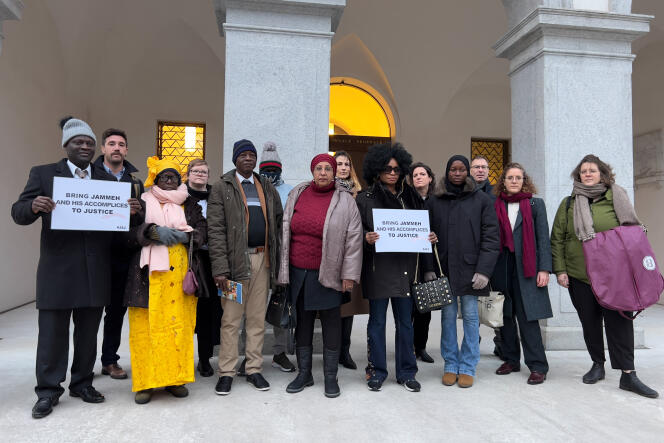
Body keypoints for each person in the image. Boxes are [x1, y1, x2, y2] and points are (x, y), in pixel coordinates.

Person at [11, 117, 137, 419]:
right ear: (66, 146)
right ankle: (48, 391)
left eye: (89, 143)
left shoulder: (107, 181)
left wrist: (133, 213)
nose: (84, 147)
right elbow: (18, 212)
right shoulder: (43, 175)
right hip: (58, 270)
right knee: (52, 334)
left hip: (96, 271)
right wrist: (33, 206)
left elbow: (120, 227)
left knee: (87, 334)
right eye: (78, 142)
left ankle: (82, 383)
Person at [550, 154, 658, 398]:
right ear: (578, 176)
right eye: (583, 171)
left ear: (603, 174)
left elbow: (632, 235)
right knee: (590, 322)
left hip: (615, 275)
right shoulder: (569, 204)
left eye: (593, 171)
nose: (587, 174)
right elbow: (557, 238)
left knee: (620, 321)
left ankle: (628, 374)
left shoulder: (616, 198)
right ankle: (597, 364)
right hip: (580, 274)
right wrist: (561, 269)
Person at [277, 153, 363, 397]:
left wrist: (349, 275)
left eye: (328, 168)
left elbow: (354, 240)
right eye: (318, 168)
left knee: (331, 323)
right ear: (312, 171)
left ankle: (330, 377)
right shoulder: (298, 193)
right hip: (298, 272)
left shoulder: (345, 200)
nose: (323, 172)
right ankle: (304, 374)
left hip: (329, 272)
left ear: (334, 172)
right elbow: (285, 229)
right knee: (302, 323)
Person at [123, 156, 206, 404]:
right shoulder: (141, 202)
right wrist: (151, 231)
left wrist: (185, 237)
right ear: (156, 180)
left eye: (173, 177)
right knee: (145, 329)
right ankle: (146, 384)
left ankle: (175, 379)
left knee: (177, 328)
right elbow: (126, 234)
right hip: (147, 276)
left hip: (180, 275)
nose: (169, 181)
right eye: (164, 177)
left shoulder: (188, 203)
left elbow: (202, 230)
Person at [356, 142, 437, 393]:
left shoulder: (412, 197)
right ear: (377, 170)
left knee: (405, 323)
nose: (392, 173)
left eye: (397, 169)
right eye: (387, 168)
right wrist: (365, 238)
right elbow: (353, 233)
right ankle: (377, 371)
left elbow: (420, 229)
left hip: (406, 270)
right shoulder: (364, 198)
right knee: (377, 323)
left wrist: (429, 238)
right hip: (378, 268)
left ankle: (406, 372)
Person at [208, 139, 283, 395]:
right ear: (235, 159)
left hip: (262, 261)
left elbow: (278, 223)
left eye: (252, 155)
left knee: (256, 319)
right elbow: (215, 230)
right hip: (233, 265)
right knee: (230, 319)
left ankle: (253, 369)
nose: (249, 159)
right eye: (244, 155)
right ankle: (227, 372)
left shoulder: (266, 186)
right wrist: (220, 268)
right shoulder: (222, 187)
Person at [425, 154, 499, 388]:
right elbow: (424, 236)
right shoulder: (434, 200)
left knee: (470, 317)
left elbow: (491, 237)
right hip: (444, 268)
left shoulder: (481, 200)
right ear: (447, 172)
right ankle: (450, 364)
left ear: (467, 172)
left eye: (461, 169)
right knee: (447, 317)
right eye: (453, 169)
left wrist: (484, 271)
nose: (457, 173)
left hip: (472, 270)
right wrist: (429, 269)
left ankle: (468, 365)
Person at [490, 163, 552, 385]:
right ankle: (511, 360)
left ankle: (537, 366)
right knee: (505, 316)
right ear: (503, 181)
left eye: (518, 177)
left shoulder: (535, 204)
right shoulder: (494, 204)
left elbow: (543, 238)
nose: (514, 181)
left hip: (528, 268)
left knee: (528, 317)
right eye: (510, 177)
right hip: (501, 266)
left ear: (524, 180)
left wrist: (544, 268)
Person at [94, 128, 145, 380]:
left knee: (115, 312)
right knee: (88, 314)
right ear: (103, 149)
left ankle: (109, 360)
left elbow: (143, 221)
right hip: (93, 255)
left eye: (121, 144)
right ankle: (81, 366)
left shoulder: (135, 183)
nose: (116, 148)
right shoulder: (88, 178)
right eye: (111, 143)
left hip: (123, 256)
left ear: (126, 150)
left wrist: (139, 211)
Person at [186, 159, 223, 378]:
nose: (200, 174)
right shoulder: (179, 196)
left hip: (213, 259)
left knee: (210, 311)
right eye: (196, 171)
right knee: (189, 310)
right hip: (189, 258)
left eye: (204, 172)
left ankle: (205, 358)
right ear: (188, 174)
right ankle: (181, 357)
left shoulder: (215, 197)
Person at [334, 150, 369, 370]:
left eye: (347, 164)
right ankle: (333, 349)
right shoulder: (328, 190)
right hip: (332, 256)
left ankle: (344, 352)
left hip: (353, 255)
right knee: (333, 307)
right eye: (339, 164)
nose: (344, 167)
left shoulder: (359, 194)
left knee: (349, 307)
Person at [470, 155, 504, 360]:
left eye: (484, 167)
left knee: (497, 300)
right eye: (476, 167)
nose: (481, 170)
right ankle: (474, 343)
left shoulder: (497, 194)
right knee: (471, 304)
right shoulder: (464, 193)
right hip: (471, 257)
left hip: (494, 254)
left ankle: (501, 343)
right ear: (470, 170)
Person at [408, 162, 436, 364]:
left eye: (422, 174)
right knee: (407, 310)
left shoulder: (438, 202)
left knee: (424, 310)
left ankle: (421, 347)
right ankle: (407, 347)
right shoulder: (405, 201)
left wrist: (437, 236)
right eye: (415, 174)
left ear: (430, 178)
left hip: (429, 263)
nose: (418, 177)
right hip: (408, 263)